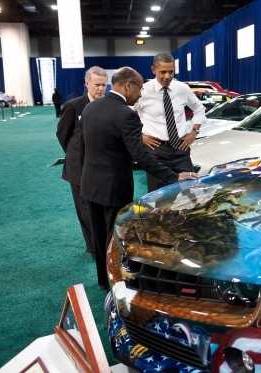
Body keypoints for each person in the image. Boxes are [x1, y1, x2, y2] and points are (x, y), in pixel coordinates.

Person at [79, 67, 199, 290]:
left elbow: (82, 149)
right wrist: (174, 176)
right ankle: (116, 282)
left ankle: (103, 282)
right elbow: (142, 155)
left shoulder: (90, 108)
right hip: (114, 188)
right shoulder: (125, 114)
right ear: (128, 85)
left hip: (90, 184)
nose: (141, 94)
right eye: (140, 88)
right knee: (115, 239)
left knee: (98, 237)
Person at [134, 52, 207, 193]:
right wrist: (140, 136)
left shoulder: (182, 89)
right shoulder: (143, 91)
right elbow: (126, 115)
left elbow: (199, 109)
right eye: (163, 72)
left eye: (171, 71)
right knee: (159, 196)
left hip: (181, 148)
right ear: (153, 69)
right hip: (156, 151)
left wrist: (194, 132)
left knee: (190, 191)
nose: (167, 76)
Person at [56, 66, 108, 259]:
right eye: (97, 85)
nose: (101, 89)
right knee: (85, 210)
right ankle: (94, 248)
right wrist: (74, 156)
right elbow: (63, 134)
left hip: (101, 166)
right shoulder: (73, 106)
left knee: (101, 207)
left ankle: (105, 242)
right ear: (87, 84)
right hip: (77, 167)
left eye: (104, 84)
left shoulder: (107, 105)